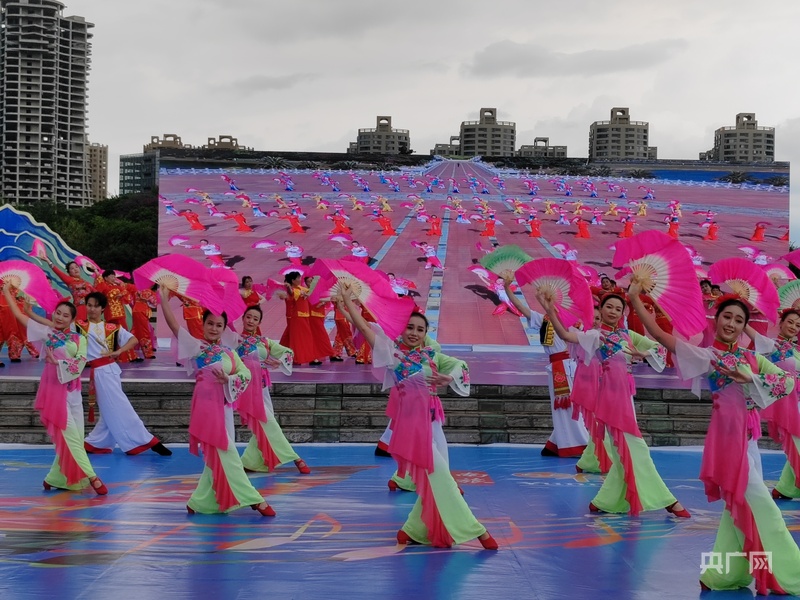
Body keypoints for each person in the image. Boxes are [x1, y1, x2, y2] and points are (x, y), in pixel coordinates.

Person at [630, 287, 800, 595]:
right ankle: (791, 573)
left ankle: (722, 575)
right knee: (764, 509)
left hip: (748, 441)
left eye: (738, 319)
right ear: (717, 319)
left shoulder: (751, 359)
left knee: (738, 509)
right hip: (725, 442)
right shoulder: (709, 356)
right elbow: (660, 336)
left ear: (744, 325)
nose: (731, 324)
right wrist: (634, 300)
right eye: (726, 317)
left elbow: (787, 382)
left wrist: (752, 379)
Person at [340, 286, 498, 550]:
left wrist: (450, 377)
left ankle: (413, 530)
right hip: (411, 429)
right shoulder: (394, 354)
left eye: (420, 329)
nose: (414, 333)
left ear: (426, 334)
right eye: (410, 328)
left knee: (438, 476)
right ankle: (476, 529)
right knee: (440, 477)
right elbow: (365, 328)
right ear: (402, 330)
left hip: (434, 424)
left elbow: (460, 366)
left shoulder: (432, 355)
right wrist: (347, 301)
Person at [540, 290, 689, 518]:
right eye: (609, 307)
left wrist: (643, 353)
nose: (613, 312)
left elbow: (658, 347)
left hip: (626, 396)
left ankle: (606, 501)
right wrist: (550, 310)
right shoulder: (596, 336)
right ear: (601, 310)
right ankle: (668, 500)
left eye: (618, 309)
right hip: (609, 397)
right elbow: (567, 337)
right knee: (636, 447)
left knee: (623, 449)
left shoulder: (628, 334)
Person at [158, 289, 275, 517]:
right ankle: (255, 499)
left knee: (219, 453)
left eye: (218, 325)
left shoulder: (230, 354)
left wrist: (229, 379)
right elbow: (174, 326)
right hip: (205, 410)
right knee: (227, 452)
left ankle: (199, 501)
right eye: (210, 324)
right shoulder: (196, 348)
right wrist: (163, 300)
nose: (213, 328)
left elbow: (246, 375)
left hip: (224, 409)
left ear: (224, 328)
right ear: (203, 325)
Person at [2, 286, 107, 495]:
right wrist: (6, 292)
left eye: (65, 315)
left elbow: (80, 362)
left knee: (75, 437)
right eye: (57, 313)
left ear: (72, 319)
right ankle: (93, 477)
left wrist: (58, 363)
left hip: (74, 394)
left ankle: (54, 478)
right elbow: (18, 315)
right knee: (71, 437)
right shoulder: (47, 333)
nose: (60, 317)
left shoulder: (80, 339)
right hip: (53, 393)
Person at [503, 275, 589, 457]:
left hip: (566, 367)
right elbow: (520, 308)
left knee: (567, 406)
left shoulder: (573, 323)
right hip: (554, 366)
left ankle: (579, 442)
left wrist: (546, 304)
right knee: (559, 406)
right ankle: (558, 441)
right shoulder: (543, 320)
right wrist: (507, 288)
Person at [78, 292, 171, 456]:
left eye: (95, 306)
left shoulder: (112, 328)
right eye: (89, 305)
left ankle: (147, 440)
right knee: (110, 408)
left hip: (109, 371)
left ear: (102, 308)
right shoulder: (78, 326)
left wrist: (119, 351)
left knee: (119, 406)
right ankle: (96, 443)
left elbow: (133, 340)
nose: (91, 309)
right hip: (99, 372)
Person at [234, 305, 310, 474]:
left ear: (259, 322)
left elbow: (288, 352)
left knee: (264, 424)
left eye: (255, 318)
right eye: (248, 317)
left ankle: (250, 462)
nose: (251, 321)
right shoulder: (234, 341)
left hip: (262, 388)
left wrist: (279, 362)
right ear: (243, 318)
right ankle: (295, 457)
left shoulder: (264, 342)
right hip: (246, 389)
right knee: (268, 422)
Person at [745, 310, 800, 501]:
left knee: (797, 445)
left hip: (798, 403)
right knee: (798, 444)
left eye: (798, 325)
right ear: (781, 323)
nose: (793, 327)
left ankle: (785, 489)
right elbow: (749, 331)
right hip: (786, 405)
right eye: (790, 322)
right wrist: (741, 307)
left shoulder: (796, 350)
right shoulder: (771, 345)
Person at [41, 256, 97, 321]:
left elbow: (97, 293)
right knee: (81, 327)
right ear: (69, 273)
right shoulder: (69, 280)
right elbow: (57, 272)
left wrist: (96, 271)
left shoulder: (87, 283)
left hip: (90, 309)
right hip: (80, 308)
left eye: (76, 267)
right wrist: (48, 261)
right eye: (72, 268)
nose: (75, 269)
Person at [131, 285, 158, 361]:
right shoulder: (148, 291)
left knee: (135, 331)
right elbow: (154, 303)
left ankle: (128, 352)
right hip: (142, 311)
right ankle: (148, 353)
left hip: (136, 310)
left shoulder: (137, 289)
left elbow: (132, 301)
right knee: (144, 332)